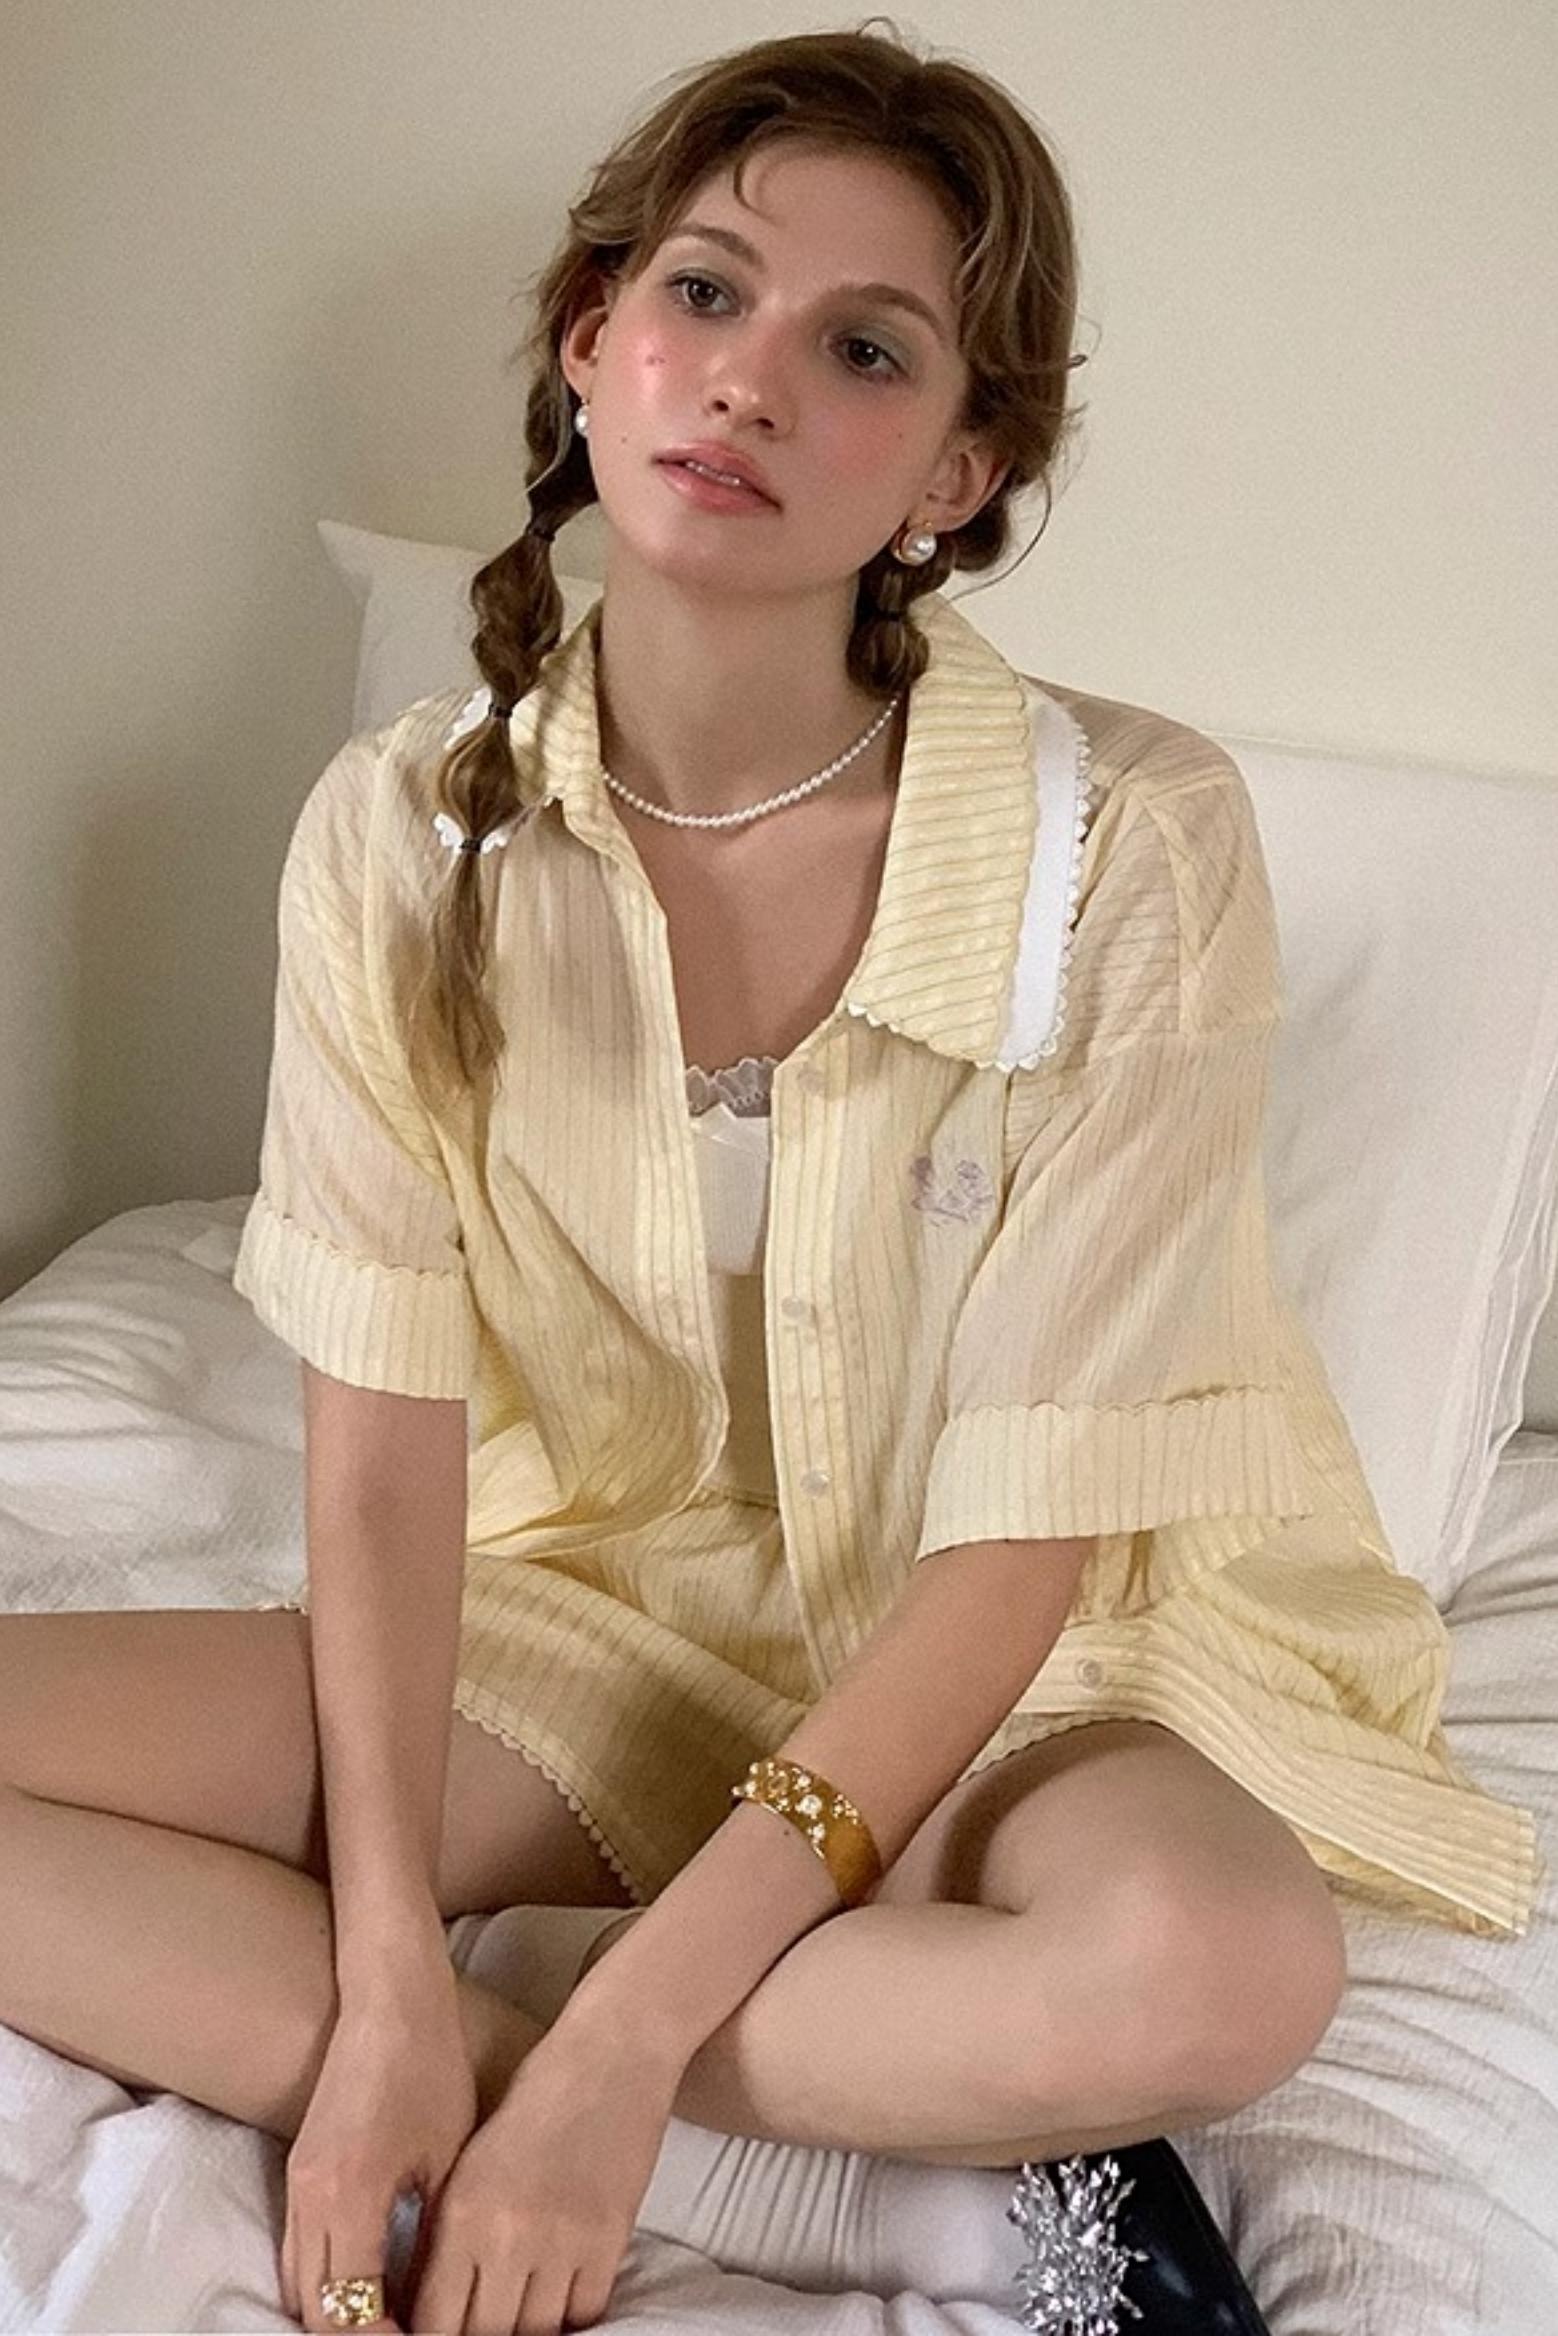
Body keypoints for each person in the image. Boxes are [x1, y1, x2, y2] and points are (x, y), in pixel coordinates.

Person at [0, 20, 1539, 2336]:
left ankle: (563, 2008)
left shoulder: (1131, 842)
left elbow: (1022, 1535)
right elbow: (383, 1448)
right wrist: (392, 1963)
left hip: (1034, 1663)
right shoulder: (401, 835)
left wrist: (624, 2035)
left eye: (862, 347)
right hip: (604, 1614)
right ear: (589, 337)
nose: (745, 378)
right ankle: (846, 2184)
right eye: (703, 293)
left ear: (957, 467)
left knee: (1213, 1962)